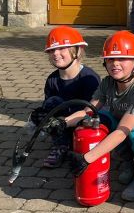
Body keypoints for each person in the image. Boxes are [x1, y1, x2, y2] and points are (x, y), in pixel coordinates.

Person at [63, 31, 134, 202]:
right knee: (100, 117)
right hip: (125, 131)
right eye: (110, 59)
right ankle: (129, 163)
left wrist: (87, 159)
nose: (115, 63)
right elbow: (88, 110)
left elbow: (123, 130)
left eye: (122, 58)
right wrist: (62, 123)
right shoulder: (108, 83)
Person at [30, 27, 101, 169]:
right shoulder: (52, 80)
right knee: (50, 104)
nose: (56, 54)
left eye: (62, 48)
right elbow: (49, 107)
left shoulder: (89, 78)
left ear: (77, 51)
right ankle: (61, 145)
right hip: (62, 124)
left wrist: (64, 121)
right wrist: (43, 117)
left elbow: (91, 111)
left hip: (86, 122)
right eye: (52, 50)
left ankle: (80, 144)